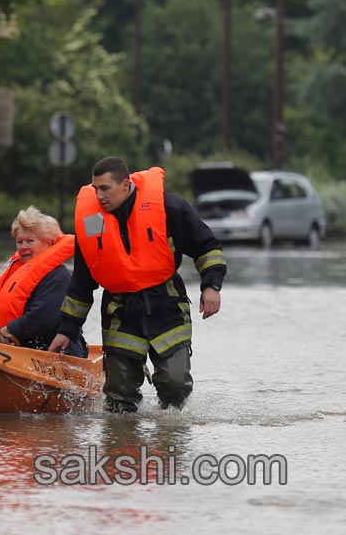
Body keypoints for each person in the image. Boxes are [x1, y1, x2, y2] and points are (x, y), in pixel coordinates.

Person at [48, 157, 226, 413]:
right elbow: (81, 283)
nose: (98, 195)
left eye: (105, 188)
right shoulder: (92, 222)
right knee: (119, 398)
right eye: (95, 188)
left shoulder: (169, 208)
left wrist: (212, 286)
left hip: (166, 305)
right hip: (120, 311)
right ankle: (122, 447)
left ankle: (169, 445)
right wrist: (67, 329)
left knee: (175, 387)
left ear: (125, 185)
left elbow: (208, 246)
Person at [0, 206, 87, 357]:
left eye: (30, 241)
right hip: (21, 347)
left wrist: (8, 330)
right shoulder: (16, 272)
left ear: (48, 243)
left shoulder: (59, 277)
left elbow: (42, 319)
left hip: (56, 352)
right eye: (19, 242)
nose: (23, 247)